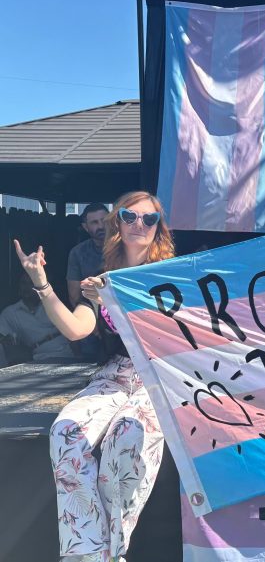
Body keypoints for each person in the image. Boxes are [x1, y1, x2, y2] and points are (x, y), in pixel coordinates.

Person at [14, 191, 174, 562]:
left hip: (159, 376)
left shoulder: (170, 276)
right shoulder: (101, 283)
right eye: (131, 216)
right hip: (114, 374)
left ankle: (113, 552)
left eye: (149, 219)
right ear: (117, 222)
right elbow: (74, 329)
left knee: (130, 433)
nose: (139, 224)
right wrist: (41, 282)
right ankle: (88, 556)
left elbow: (175, 335)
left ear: (158, 228)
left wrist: (122, 303)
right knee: (66, 431)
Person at [0, 274, 76, 364]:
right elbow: (3, 339)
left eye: (31, 284)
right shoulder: (10, 313)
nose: (26, 287)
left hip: (66, 354)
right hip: (38, 359)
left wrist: (78, 355)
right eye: (23, 283)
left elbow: (74, 329)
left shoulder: (53, 305)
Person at [67, 203, 109, 308]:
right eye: (94, 222)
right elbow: (75, 298)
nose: (101, 226)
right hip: (91, 311)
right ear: (86, 227)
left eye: (104, 221)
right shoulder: (78, 253)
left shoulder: (127, 246)